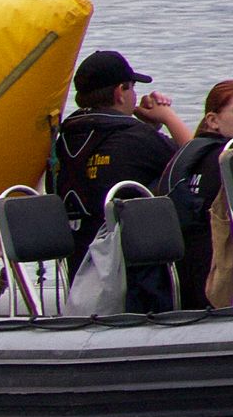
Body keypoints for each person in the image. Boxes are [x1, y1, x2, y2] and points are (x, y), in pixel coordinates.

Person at [52, 49, 193, 309]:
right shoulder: (137, 138)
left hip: (80, 270)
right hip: (134, 281)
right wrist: (166, 117)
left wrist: (148, 129)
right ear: (120, 92)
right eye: (132, 89)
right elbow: (199, 162)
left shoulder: (64, 140)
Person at [159, 80, 233, 308]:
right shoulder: (227, 162)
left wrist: (165, 119)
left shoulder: (188, 159)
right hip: (220, 287)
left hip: (187, 285)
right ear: (212, 120)